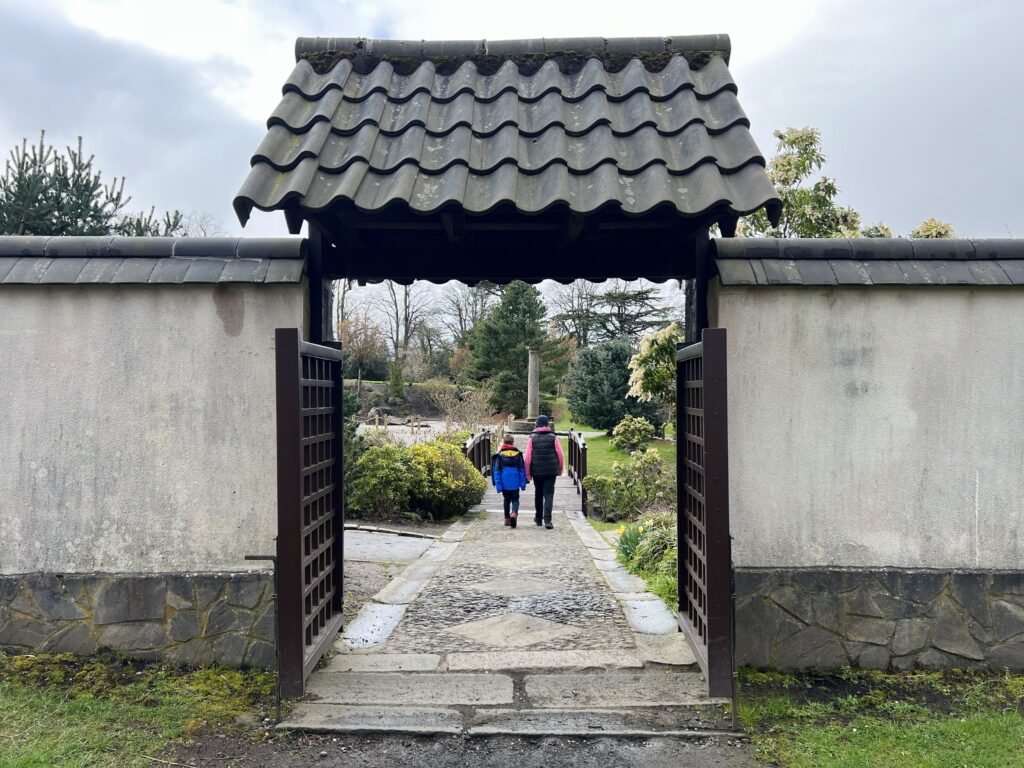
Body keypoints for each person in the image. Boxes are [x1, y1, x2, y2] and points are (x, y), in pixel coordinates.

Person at [524, 415, 563, 529]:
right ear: (547, 424)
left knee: (539, 493)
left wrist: (528, 474)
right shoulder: (553, 437)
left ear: (536, 424)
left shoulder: (532, 438)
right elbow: (560, 455)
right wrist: (559, 470)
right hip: (551, 471)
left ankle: (538, 518)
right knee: (549, 494)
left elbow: (527, 458)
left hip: (537, 471)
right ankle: (548, 520)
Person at [491, 434, 527, 528]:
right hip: (515, 482)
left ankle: (507, 518)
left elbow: (497, 471)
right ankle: (514, 513)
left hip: (504, 482)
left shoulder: (500, 455)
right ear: (513, 443)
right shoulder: (518, 454)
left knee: (506, 500)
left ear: (504, 442)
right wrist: (523, 484)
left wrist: (498, 486)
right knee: (515, 499)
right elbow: (522, 470)